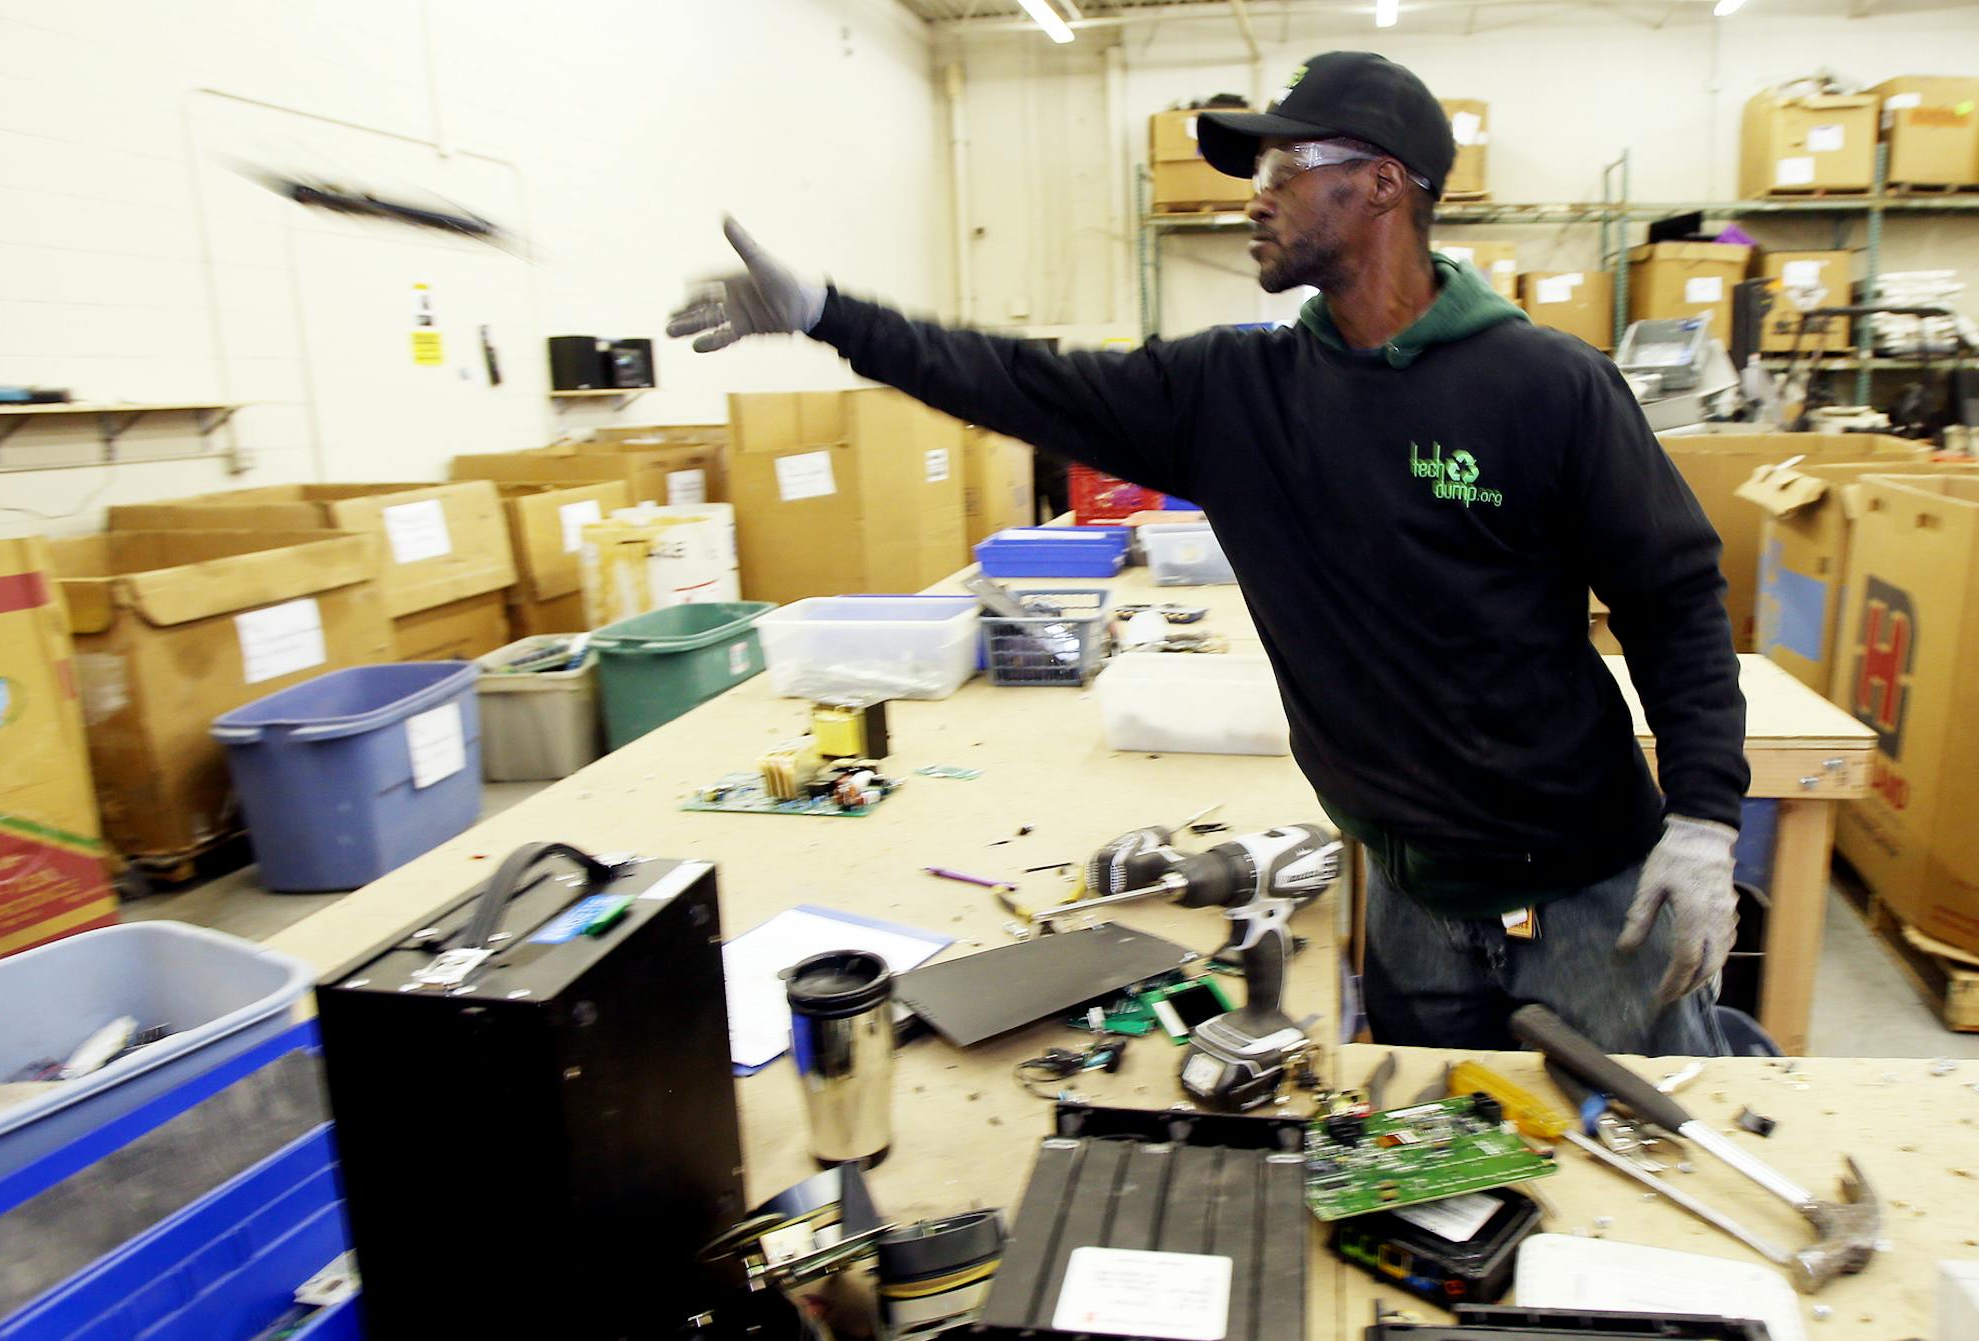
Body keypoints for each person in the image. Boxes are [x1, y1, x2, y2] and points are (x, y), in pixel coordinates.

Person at [667, 51, 1748, 1056]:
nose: (1255, 193)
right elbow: (1021, 379)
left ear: (1381, 186)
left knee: (1649, 1139)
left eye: (1284, 164)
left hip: (1593, 880)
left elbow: (1674, 597)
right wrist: (826, 314)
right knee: (1445, 1169)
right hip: (1412, 888)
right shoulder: (1236, 393)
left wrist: (1703, 817)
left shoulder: (1546, 385)